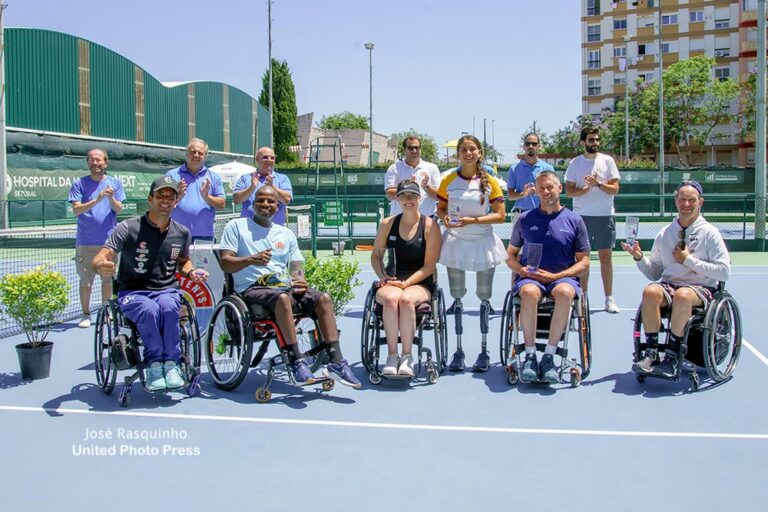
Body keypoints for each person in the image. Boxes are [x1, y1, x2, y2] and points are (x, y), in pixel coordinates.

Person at [218, 185, 361, 389]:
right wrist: (251, 260)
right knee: (283, 299)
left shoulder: (285, 233)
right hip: (250, 290)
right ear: (253, 203)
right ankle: (297, 361)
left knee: (323, 299)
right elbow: (225, 262)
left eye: (270, 201)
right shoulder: (236, 226)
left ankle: (336, 361)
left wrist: (299, 280)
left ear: (278, 206)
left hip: (282, 287)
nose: (265, 204)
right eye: (260, 200)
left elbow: (296, 267)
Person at [92, 176, 208, 391]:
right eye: (160, 195)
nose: (165, 200)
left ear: (176, 202)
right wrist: (102, 265)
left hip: (167, 289)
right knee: (149, 309)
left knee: (168, 307)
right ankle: (154, 364)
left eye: (170, 196)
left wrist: (191, 271)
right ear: (150, 199)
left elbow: (183, 261)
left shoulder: (182, 232)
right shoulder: (127, 228)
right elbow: (101, 256)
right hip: (132, 292)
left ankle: (172, 364)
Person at [622, 180, 730, 378]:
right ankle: (651, 353)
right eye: (682, 199)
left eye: (691, 200)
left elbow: (723, 272)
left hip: (700, 288)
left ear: (700, 202)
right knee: (650, 291)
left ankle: (672, 356)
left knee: (683, 295)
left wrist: (688, 260)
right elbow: (654, 272)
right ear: (676, 201)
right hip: (670, 286)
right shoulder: (665, 233)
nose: (686, 204)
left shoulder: (710, 233)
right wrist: (638, 257)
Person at [506, 171, 590, 383]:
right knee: (529, 292)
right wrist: (522, 271)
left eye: (550, 187)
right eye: (541, 188)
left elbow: (585, 261)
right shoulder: (525, 219)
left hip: (562, 277)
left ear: (559, 188)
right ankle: (531, 356)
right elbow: (510, 256)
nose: (545, 192)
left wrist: (558, 275)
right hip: (531, 277)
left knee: (564, 292)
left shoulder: (575, 220)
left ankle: (549, 356)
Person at [436, 135, 507, 373]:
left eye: (472, 149)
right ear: (458, 153)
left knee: (484, 296)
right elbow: (441, 206)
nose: (468, 153)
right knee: (457, 296)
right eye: (464, 150)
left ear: (479, 152)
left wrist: (471, 221)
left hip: (483, 244)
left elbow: (500, 215)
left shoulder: (490, 181)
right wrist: (445, 218)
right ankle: (458, 351)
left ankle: (484, 352)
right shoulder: (448, 180)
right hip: (455, 243)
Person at [371, 180, 442, 377]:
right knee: (392, 299)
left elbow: (429, 266)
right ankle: (392, 356)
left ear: (420, 198)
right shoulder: (387, 224)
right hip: (391, 280)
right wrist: (384, 277)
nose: (408, 200)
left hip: (419, 281)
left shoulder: (430, 226)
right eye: (403, 196)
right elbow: (376, 257)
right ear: (398, 199)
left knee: (406, 299)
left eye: (412, 196)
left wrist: (406, 283)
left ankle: (407, 356)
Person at [565, 126, 621, 314]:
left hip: (605, 216)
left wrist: (598, 184)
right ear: (583, 142)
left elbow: (615, 189)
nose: (595, 143)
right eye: (591, 140)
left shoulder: (608, 161)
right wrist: (587, 189)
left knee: (606, 257)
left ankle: (609, 299)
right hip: (581, 217)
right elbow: (570, 191)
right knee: (583, 260)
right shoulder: (575, 163)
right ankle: (582, 299)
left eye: (597, 140)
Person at [68, 149, 125, 329]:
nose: (95, 163)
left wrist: (110, 199)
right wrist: (98, 199)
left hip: (109, 244)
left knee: (107, 280)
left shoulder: (115, 183)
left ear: (105, 163)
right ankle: (85, 315)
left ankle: (106, 312)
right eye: (92, 160)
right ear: (88, 163)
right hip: (85, 242)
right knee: (86, 281)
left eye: (99, 160)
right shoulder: (79, 183)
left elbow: (118, 209)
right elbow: (76, 210)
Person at [166, 138, 226, 241]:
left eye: (200, 153)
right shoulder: (171, 175)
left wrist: (206, 197)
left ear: (205, 156)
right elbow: (163, 204)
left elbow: (222, 204)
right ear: (187, 154)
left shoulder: (214, 177)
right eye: (193, 152)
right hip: (176, 235)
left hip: (204, 236)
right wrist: (178, 196)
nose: (196, 155)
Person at [233, 146, 293, 225]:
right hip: (249, 229)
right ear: (257, 159)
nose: (269, 160)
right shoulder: (246, 178)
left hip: (275, 230)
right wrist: (252, 187)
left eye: (272, 158)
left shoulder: (282, 179)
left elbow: (287, 200)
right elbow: (237, 200)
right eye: (265, 157)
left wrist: (273, 187)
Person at [385, 136, 441, 217]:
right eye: (410, 148)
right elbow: (389, 194)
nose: (414, 150)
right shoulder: (394, 168)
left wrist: (427, 187)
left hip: (427, 218)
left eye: (417, 148)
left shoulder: (432, 168)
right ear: (404, 150)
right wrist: (406, 187)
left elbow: (439, 196)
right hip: (400, 218)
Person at [507, 133, 555, 217]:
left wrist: (539, 192)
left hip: (543, 214)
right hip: (520, 215)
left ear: (539, 146)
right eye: (527, 143)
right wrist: (523, 194)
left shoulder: (548, 168)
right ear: (524, 146)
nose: (531, 146)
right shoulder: (514, 169)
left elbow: (554, 194)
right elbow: (510, 196)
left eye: (534, 144)